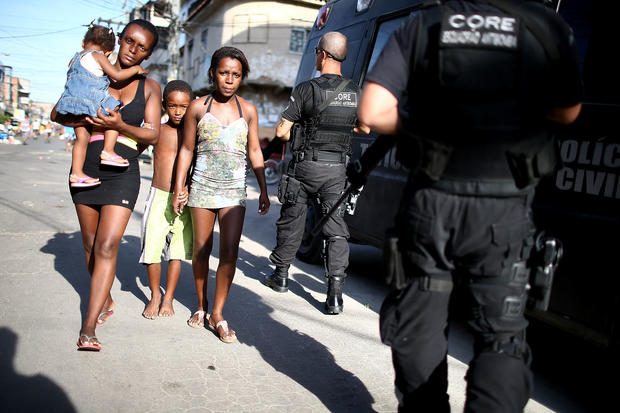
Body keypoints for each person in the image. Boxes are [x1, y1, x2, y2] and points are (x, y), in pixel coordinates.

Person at [353, 1, 583, 411]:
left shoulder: (425, 24)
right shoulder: (545, 25)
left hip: (433, 204)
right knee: (502, 336)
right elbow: (567, 112)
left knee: (420, 319)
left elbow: (373, 111)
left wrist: (427, 123)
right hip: (505, 209)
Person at [51, 19, 162, 351]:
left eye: (142, 47)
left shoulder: (150, 87)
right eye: (129, 41)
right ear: (120, 41)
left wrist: (120, 124)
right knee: (89, 246)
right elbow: (58, 112)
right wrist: (80, 116)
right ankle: (106, 299)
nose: (133, 49)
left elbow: (153, 134)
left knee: (106, 246)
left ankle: (88, 327)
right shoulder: (91, 70)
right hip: (86, 167)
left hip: (122, 169)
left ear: (149, 53)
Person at [263, 31, 369, 314]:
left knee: (293, 219)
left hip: (305, 166)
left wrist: (307, 125)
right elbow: (365, 128)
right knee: (336, 230)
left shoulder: (306, 89)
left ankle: (281, 276)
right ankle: (335, 294)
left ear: (322, 54)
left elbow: (282, 133)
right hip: (336, 170)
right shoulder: (355, 91)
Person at [172, 46, 270, 343]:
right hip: (202, 186)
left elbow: (254, 150)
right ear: (212, 73)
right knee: (201, 250)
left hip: (234, 190)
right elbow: (187, 149)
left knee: (229, 252)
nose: (229, 79)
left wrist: (264, 188)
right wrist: (180, 187)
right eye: (224, 73)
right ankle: (200, 306)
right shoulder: (198, 107)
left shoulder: (248, 110)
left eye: (236, 74)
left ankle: (218, 312)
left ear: (242, 77)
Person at [55, 22, 148, 188]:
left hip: (70, 104)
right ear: (108, 52)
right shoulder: (98, 56)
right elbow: (118, 75)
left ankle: (76, 173)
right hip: (89, 102)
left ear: (84, 42)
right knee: (113, 110)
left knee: (81, 139)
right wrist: (136, 70)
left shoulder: (74, 59)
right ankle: (108, 151)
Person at [139, 80, 193, 319]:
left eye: (183, 106)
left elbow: (200, 165)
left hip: (184, 199)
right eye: (172, 106)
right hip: (159, 196)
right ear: (164, 106)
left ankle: (168, 296)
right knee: (152, 248)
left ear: (191, 106)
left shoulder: (196, 134)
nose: (178, 112)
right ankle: (154, 295)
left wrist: (189, 188)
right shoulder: (157, 130)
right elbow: (133, 149)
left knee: (176, 252)